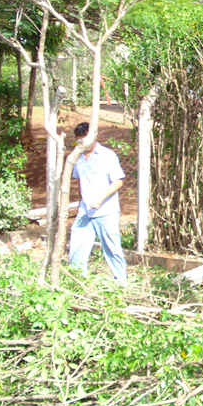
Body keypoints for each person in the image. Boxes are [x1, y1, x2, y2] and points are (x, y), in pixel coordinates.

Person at [68, 122, 127, 284]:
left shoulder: (107, 155)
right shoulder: (78, 158)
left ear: (93, 137)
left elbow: (118, 182)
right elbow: (79, 182)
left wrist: (100, 198)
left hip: (105, 211)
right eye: (79, 141)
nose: (82, 144)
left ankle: (121, 283)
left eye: (85, 140)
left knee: (111, 247)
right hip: (85, 212)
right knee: (77, 247)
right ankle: (78, 283)